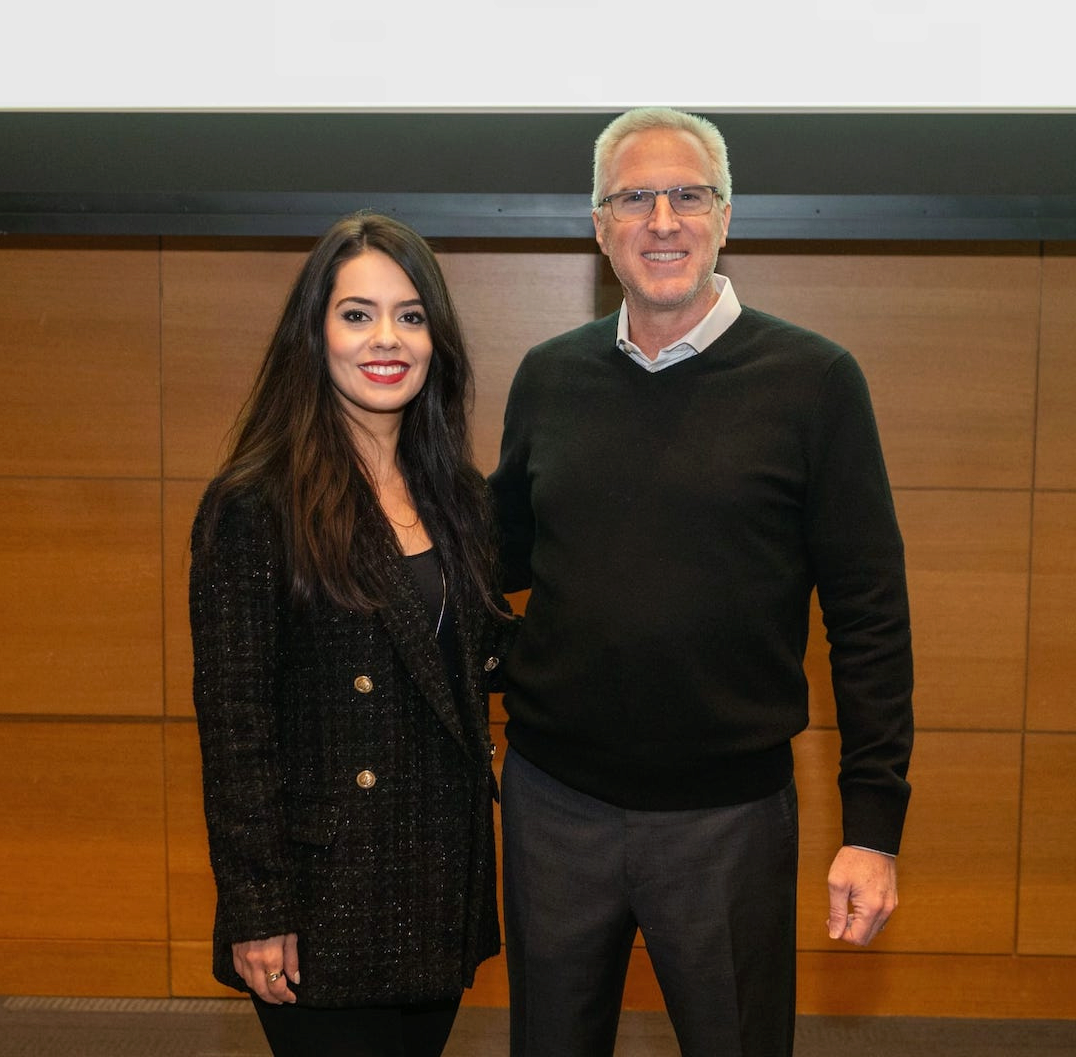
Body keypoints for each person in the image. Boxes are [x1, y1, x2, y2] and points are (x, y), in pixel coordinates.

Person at [488, 107, 914, 1057]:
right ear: (599, 228)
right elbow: (495, 560)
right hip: (554, 809)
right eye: (633, 198)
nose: (663, 220)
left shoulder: (816, 382)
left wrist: (873, 827)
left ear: (727, 218)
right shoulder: (549, 377)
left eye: (688, 195)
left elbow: (870, 616)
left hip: (730, 824)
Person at [190, 212, 511, 1057]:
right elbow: (237, 729)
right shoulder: (255, 504)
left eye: (411, 316)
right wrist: (259, 910)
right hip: (321, 898)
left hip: (438, 881)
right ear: (315, 332)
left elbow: (471, 664)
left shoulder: (461, 498)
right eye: (357, 313)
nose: (388, 339)